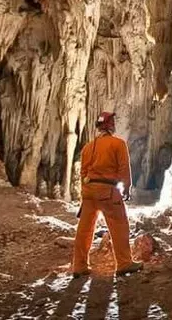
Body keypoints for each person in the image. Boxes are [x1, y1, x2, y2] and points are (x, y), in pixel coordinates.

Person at [71, 111, 143, 277]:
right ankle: (124, 263)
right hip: (108, 192)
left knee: (84, 230)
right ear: (111, 126)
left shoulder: (88, 147)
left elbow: (83, 173)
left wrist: (85, 192)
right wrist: (126, 187)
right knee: (119, 226)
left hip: (89, 192)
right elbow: (124, 168)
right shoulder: (118, 144)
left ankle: (79, 266)